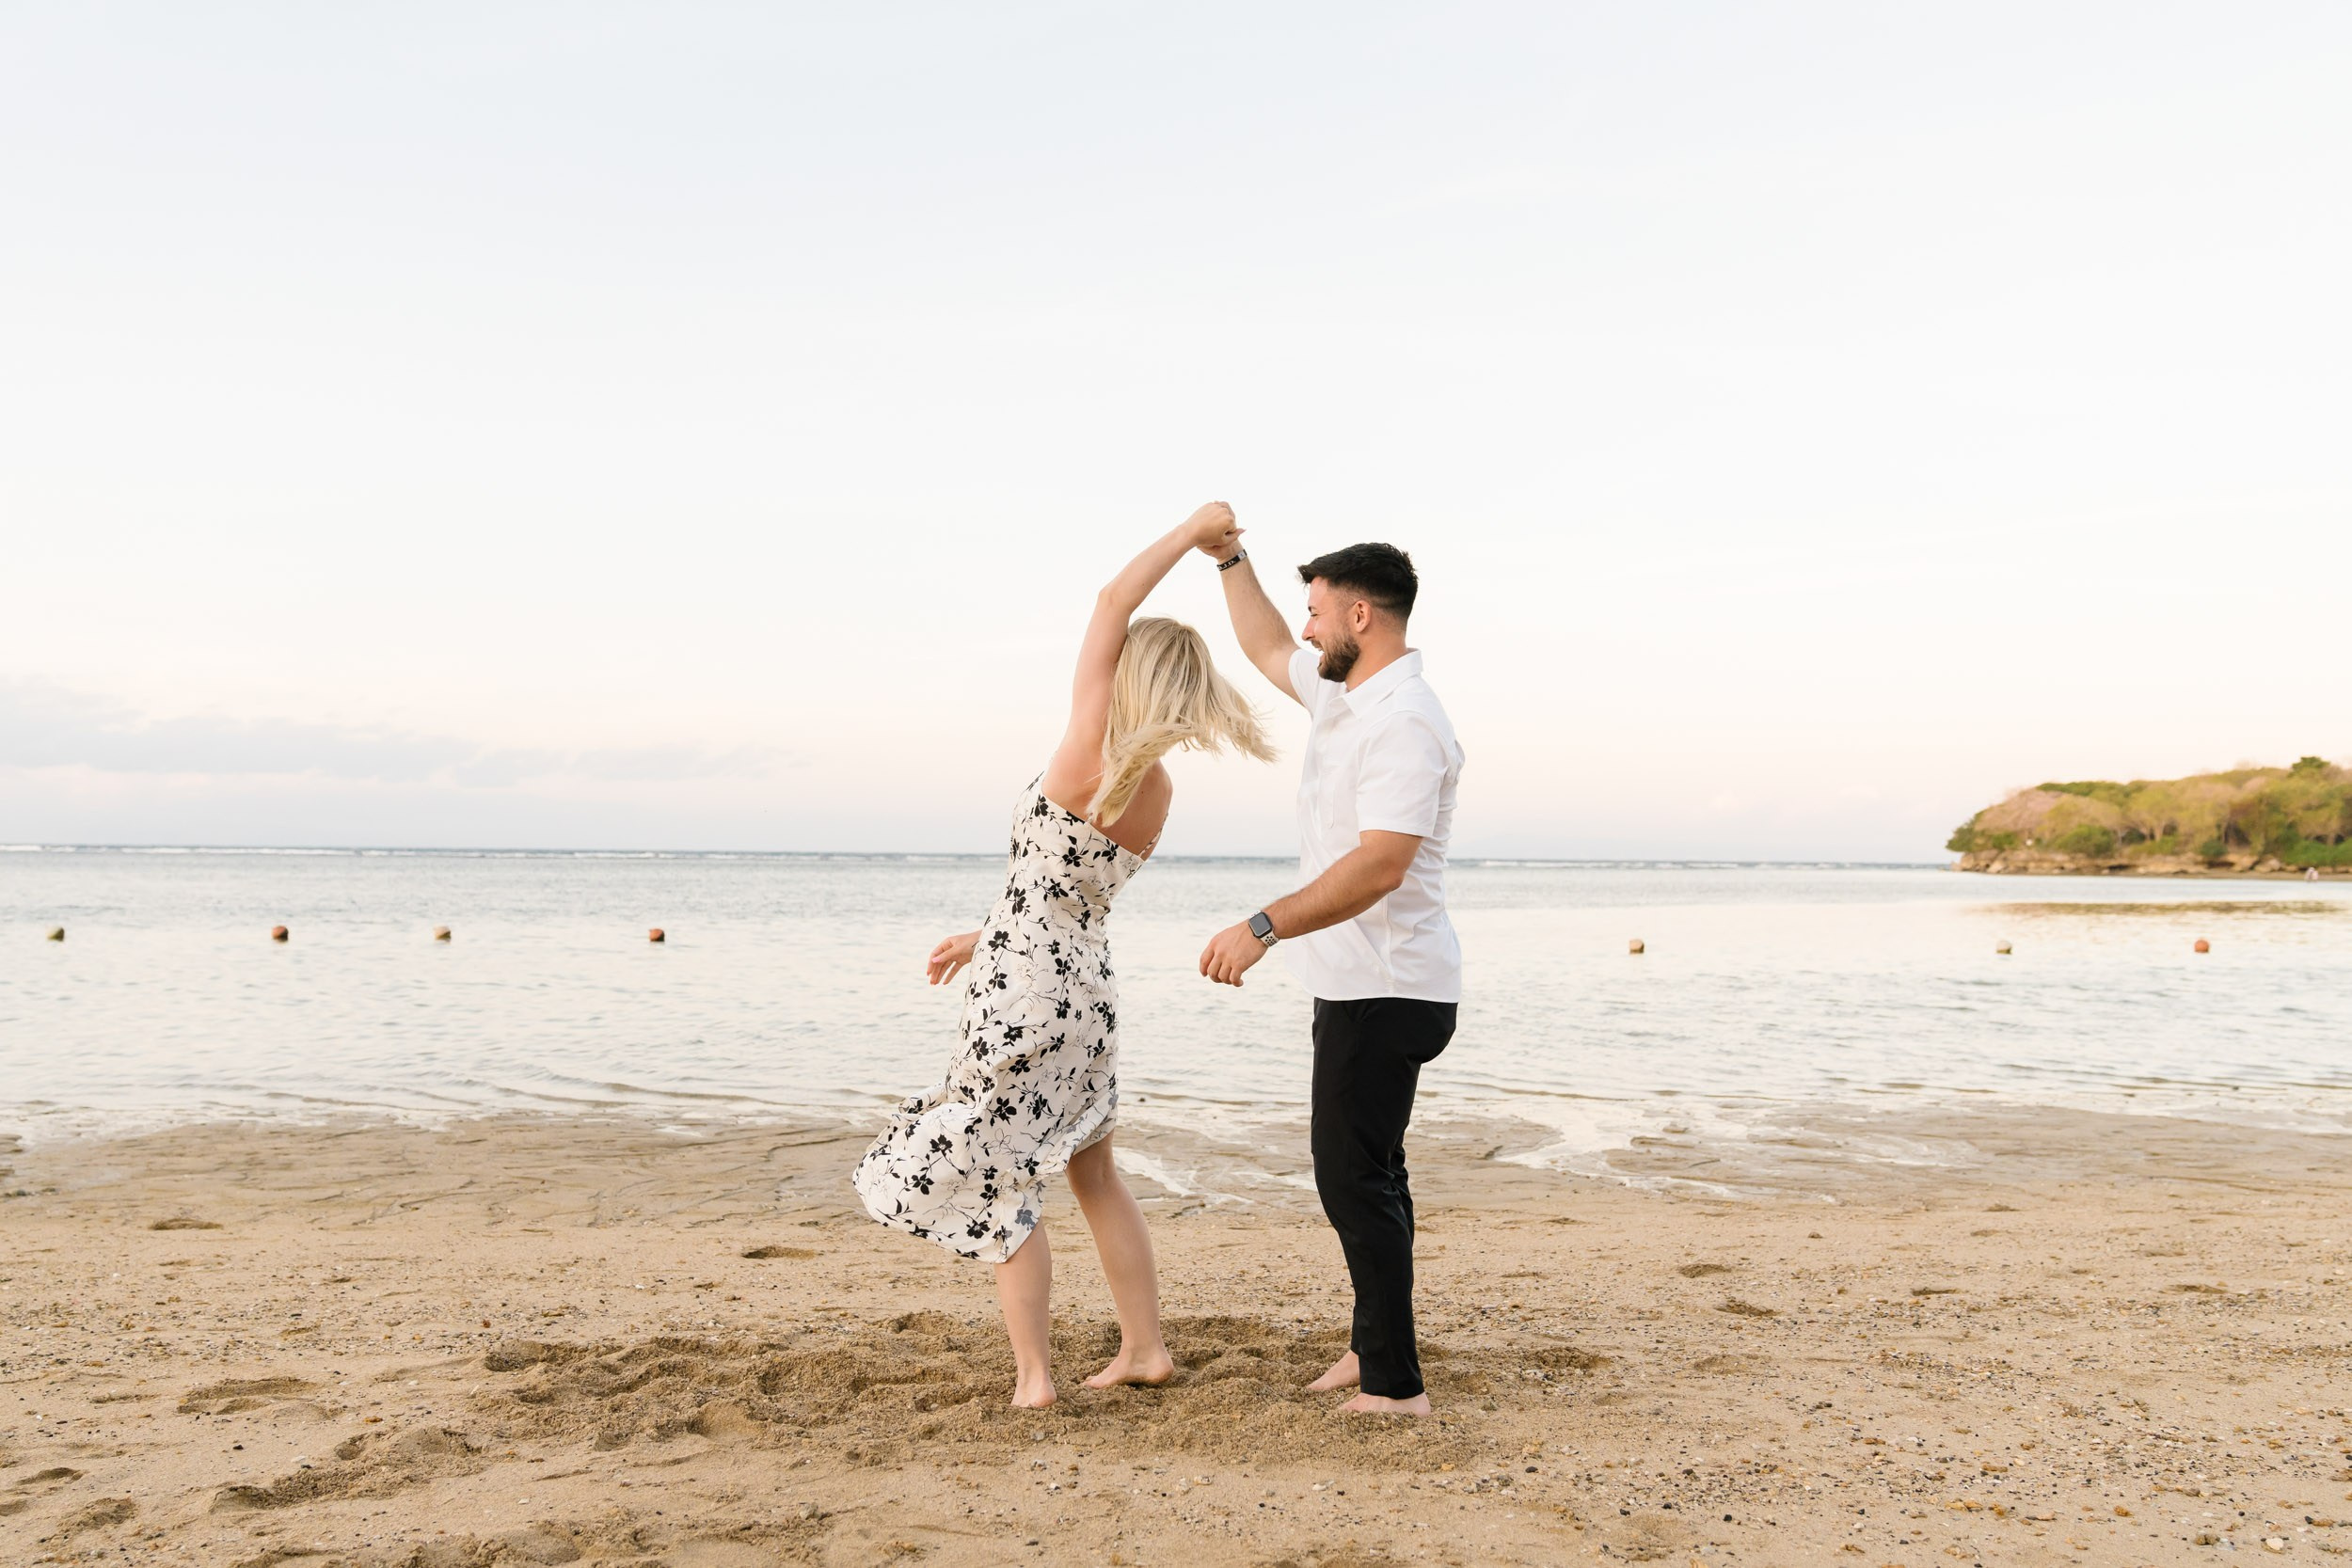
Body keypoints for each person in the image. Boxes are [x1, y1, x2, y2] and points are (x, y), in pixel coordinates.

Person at [853, 502, 1275, 1409]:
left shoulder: (1090, 743)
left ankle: (1036, 1378)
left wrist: (1191, 533)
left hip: (1027, 990)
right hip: (1083, 989)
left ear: (1128, 677)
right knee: (1093, 1170)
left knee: (999, 1176)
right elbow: (1065, 890)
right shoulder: (1155, 792)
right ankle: (1145, 1346)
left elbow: (1110, 598)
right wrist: (986, 933)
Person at [1195, 530, 1464, 1416]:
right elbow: (1265, 643)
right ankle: (1372, 1344)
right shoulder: (1347, 694)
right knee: (1370, 1174)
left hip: (1389, 987)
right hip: (1360, 983)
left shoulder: (1406, 722)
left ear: (1361, 615)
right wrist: (1231, 561)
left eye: (1319, 611)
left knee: (1352, 1179)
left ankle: (1396, 1387)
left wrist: (1263, 925)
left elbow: (1381, 864)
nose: (1306, 630)